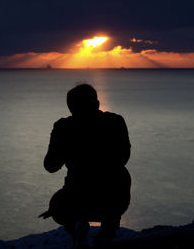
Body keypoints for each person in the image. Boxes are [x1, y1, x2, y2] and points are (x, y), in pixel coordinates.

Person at [42, 83, 131, 247]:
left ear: (70, 108)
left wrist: (61, 141)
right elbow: (124, 158)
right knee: (118, 179)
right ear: (97, 104)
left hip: (77, 197)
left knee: (57, 206)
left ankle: (76, 224)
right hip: (114, 198)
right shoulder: (115, 122)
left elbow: (51, 166)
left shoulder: (63, 127)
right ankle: (108, 228)